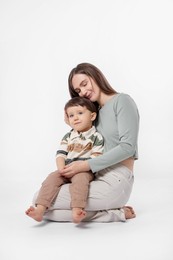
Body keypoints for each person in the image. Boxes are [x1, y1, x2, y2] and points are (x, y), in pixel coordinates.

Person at [32, 62, 139, 223]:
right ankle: (111, 212)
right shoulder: (93, 114)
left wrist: (85, 165)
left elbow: (128, 147)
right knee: (41, 203)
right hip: (93, 178)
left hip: (116, 180)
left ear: (96, 76)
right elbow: (85, 142)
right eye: (78, 91)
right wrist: (73, 125)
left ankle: (114, 213)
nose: (83, 92)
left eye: (84, 84)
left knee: (40, 201)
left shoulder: (122, 101)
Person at [25, 96, 104, 223]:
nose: (76, 118)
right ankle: (40, 209)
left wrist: (81, 166)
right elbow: (61, 153)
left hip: (84, 170)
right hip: (66, 168)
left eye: (80, 113)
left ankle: (77, 209)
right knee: (51, 178)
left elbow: (96, 157)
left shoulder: (96, 137)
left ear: (92, 116)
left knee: (80, 181)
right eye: (71, 115)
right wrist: (61, 169)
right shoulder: (68, 136)